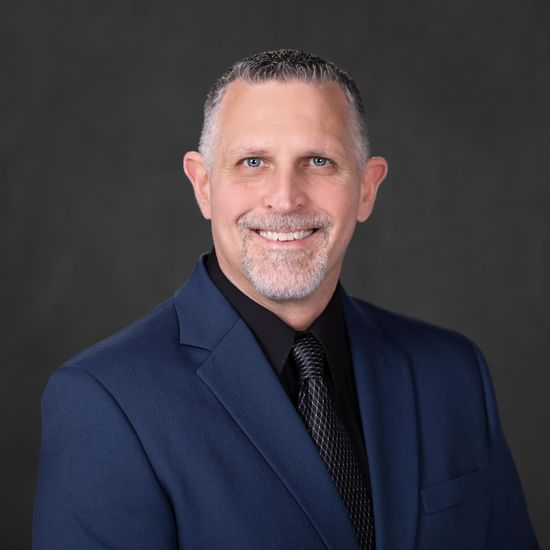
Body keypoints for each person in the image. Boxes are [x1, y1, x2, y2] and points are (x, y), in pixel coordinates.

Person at [33, 49, 538, 549]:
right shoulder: (104, 401)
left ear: (366, 188)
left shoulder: (451, 372)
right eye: (253, 162)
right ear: (203, 185)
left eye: (318, 161)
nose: (285, 197)